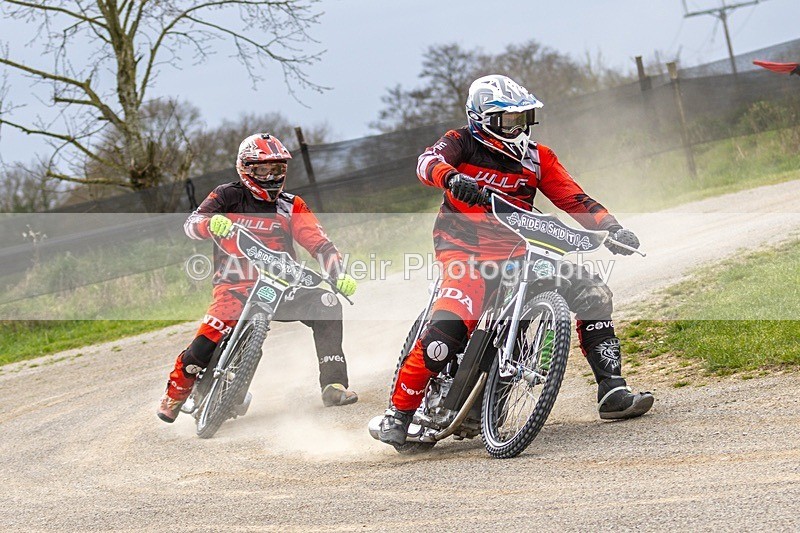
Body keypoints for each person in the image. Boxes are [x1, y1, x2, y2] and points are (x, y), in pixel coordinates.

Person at [378, 75, 654, 448]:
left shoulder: (538, 158)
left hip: (520, 250)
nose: (518, 127)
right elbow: (427, 162)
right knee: (450, 327)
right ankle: (400, 413)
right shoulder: (461, 142)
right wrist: (451, 178)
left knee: (592, 291)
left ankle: (612, 391)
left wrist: (612, 228)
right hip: (464, 250)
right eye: (509, 120)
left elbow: (574, 199)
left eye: (524, 118)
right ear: (482, 119)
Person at [157, 133, 358, 423]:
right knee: (203, 344)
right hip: (234, 287)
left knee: (327, 301)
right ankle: (174, 395)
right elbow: (191, 224)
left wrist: (337, 274)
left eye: (277, 169)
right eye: (264, 169)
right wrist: (210, 223)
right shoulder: (227, 195)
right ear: (246, 168)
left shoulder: (291, 205)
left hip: (281, 287)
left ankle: (333, 384)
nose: (271, 176)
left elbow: (320, 244)